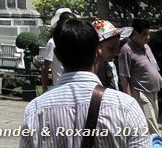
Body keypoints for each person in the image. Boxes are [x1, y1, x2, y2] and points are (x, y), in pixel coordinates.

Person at [19, 19, 150, 147]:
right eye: (111, 48)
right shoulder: (126, 107)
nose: (116, 53)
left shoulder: (35, 110)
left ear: (57, 56)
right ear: (97, 53)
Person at [119, 18, 162, 135]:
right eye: (144, 34)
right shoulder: (126, 50)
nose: (148, 37)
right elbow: (124, 76)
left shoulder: (146, 47)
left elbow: (153, 68)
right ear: (135, 33)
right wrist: (129, 99)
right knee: (151, 125)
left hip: (154, 92)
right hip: (140, 93)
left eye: (148, 34)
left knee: (152, 123)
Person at [41, 8, 76, 91]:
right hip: (61, 88)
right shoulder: (52, 43)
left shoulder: (77, 40)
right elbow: (45, 68)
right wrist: (45, 90)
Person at [92, 19, 121, 89]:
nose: (116, 53)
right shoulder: (86, 69)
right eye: (111, 48)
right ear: (97, 46)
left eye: (118, 48)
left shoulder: (110, 66)